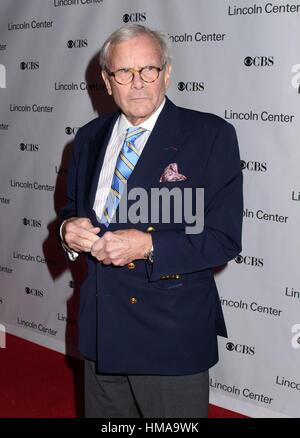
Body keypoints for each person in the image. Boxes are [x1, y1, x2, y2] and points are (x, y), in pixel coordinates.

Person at [60, 24, 243, 418]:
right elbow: (72, 208)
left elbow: (224, 239)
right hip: (101, 328)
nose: (138, 83)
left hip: (169, 333)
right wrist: (66, 230)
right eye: (124, 72)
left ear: (167, 73)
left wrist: (147, 245)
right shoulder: (88, 138)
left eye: (149, 70)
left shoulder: (211, 136)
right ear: (108, 82)